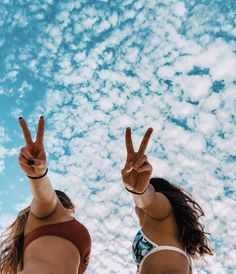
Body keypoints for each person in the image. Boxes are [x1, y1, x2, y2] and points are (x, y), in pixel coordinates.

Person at [0, 116, 91, 274]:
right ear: (66, 205)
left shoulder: (22, 257)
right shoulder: (49, 214)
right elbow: (45, 199)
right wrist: (39, 176)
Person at [121, 127, 214, 274]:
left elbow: (149, 200)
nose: (136, 207)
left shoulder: (164, 208)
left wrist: (140, 191)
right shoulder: (166, 229)